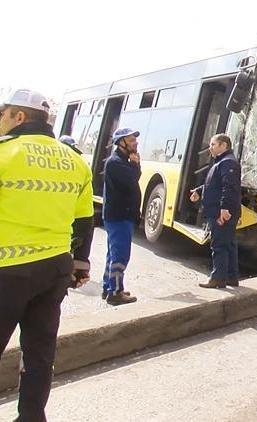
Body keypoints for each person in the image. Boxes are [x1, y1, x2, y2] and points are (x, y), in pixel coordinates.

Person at [0, 89, 94, 421]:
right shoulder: (75, 160)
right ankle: (31, 417)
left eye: (4, 113)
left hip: (7, 269)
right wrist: (81, 263)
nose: (1, 120)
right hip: (54, 269)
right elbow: (84, 219)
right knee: (39, 353)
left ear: (19, 117)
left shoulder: (5, 153)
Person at [192, 134, 242, 289]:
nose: (210, 147)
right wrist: (200, 191)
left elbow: (230, 188)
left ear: (223, 145)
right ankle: (231, 277)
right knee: (229, 244)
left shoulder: (228, 163)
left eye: (213, 144)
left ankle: (218, 278)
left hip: (222, 212)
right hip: (221, 210)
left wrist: (224, 209)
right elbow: (215, 184)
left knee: (219, 245)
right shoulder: (222, 162)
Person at [102, 128, 142, 305]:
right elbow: (131, 182)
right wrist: (135, 164)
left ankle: (108, 288)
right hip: (119, 215)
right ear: (121, 142)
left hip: (121, 214)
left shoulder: (123, 161)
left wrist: (134, 164)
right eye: (131, 140)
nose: (135, 143)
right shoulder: (116, 162)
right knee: (120, 255)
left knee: (113, 254)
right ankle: (115, 292)